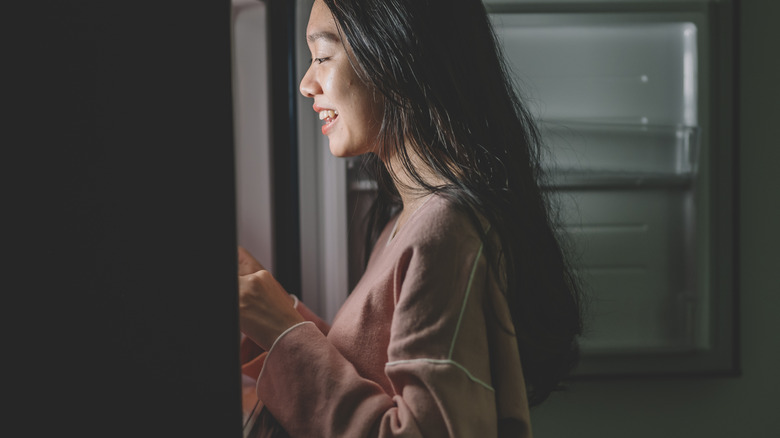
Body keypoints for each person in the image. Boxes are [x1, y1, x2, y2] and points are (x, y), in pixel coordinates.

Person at [237, 0, 584, 436]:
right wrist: (269, 319)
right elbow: (371, 374)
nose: (307, 84)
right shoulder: (407, 222)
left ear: (395, 54)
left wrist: (284, 331)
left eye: (322, 56)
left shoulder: (446, 231)